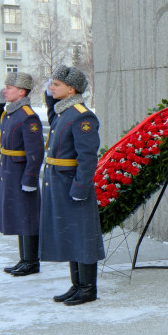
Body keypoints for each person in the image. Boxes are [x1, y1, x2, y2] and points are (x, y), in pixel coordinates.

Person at [41, 66, 105, 306]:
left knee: (82, 235)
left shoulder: (82, 116)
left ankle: (88, 289)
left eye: (56, 84)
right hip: (60, 184)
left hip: (73, 185)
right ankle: (77, 285)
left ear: (71, 89)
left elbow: (87, 157)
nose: (51, 87)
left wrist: (80, 188)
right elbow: (52, 109)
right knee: (71, 234)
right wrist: (50, 94)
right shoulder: (63, 112)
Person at [0, 72, 43, 276]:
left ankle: (32, 262)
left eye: (9, 88)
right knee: (20, 216)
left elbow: (36, 152)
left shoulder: (28, 116)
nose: (5, 90)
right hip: (10, 171)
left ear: (21, 92)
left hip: (21, 173)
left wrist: (30, 178)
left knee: (28, 217)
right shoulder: (12, 113)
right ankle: (24, 259)